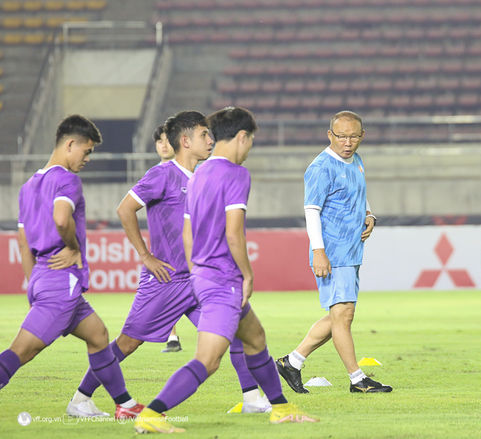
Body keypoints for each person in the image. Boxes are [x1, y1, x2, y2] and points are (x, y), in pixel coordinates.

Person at [66, 112, 271, 418]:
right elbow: (125, 209)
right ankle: (80, 399)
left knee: (236, 330)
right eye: (204, 134)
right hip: (167, 281)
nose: (211, 140)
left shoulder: (203, 176)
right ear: (185, 141)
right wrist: (146, 256)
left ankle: (252, 397)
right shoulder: (163, 175)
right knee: (128, 343)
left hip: (199, 279)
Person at [134, 107, 318, 434]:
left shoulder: (198, 174)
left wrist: (196, 270)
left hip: (203, 276)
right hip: (223, 280)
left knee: (255, 337)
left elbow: (187, 232)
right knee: (208, 360)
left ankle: (280, 408)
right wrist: (246, 274)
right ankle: (153, 413)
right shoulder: (236, 174)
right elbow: (234, 233)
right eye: (250, 142)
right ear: (242, 137)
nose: (249, 149)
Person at [0, 115, 144, 419]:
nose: (87, 158)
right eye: (86, 151)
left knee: (98, 336)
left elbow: (23, 242)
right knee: (21, 352)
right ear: (69, 144)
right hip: (60, 282)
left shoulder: (28, 186)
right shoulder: (66, 180)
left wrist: (35, 283)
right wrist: (74, 248)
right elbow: (62, 218)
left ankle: (122, 406)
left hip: (43, 277)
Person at [275, 110, 392, 394]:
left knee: (340, 315)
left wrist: (369, 213)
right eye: (341, 136)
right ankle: (357, 379)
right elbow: (311, 211)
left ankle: (293, 361)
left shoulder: (357, 161)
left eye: (353, 136)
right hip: (332, 251)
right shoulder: (320, 167)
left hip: (351, 249)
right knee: (344, 314)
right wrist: (319, 252)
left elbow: (358, 193)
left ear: (362, 136)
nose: (347, 142)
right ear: (330, 135)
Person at [152, 123, 183, 353]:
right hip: (164, 250)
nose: (163, 145)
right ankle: (172, 336)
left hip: (188, 248)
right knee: (166, 293)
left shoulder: (190, 173)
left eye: (167, 140)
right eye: (159, 141)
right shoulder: (153, 175)